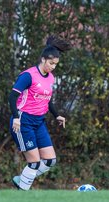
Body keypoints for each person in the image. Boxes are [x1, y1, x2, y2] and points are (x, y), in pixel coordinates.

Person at [9, 35, 71, 190]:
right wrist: (16, 118)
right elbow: (12, 96)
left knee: (50, 161)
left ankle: (22, 179)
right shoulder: (28, 75)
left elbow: (47, 99)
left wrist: (57, 115)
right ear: (43, 59)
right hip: (23, 121)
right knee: (34, 163)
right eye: (51, 63)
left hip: (39, 122)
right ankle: (23, 193)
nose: (53, 67)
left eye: (56, 64)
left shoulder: (50, 78)